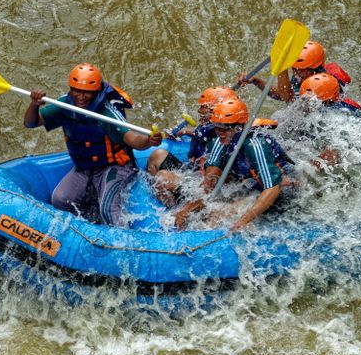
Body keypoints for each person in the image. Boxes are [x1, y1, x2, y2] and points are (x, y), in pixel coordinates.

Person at [24, 63, 163, 224]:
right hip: (85, 167)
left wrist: (149, 140)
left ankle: (119, 242)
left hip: (116, 166)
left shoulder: (107, 111)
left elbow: (133, 140)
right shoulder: (65, 104)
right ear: (71, 88)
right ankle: (90, 226)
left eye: (87, 92)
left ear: (96, 91)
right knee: (60, 199)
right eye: (77, 90)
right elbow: (31, 123)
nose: (81, 97)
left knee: (108, 209)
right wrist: (34, 105)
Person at [173, 98, 293, 232]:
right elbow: (209, 184)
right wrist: (186, 210)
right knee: (208, 211)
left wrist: (242, 221)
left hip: (279, 190)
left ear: (239, 127)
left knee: (215, 217)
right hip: (251, 186)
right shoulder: (221, 141)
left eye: (223, 128)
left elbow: (273, 189)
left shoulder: (254, 145)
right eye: (216, 127)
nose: (218, 132)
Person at [145, 86, 238, 206]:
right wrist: (185, 131)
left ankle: (177, 209)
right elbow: (202, 133)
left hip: (204, 183)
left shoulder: (222, 138)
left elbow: (210, 180)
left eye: (204, 107)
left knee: (162, 177)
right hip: (193, 172)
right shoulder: (211, 129)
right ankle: (166, 201)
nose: (200, 110)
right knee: (158, 155)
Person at [238, 40, 351, 103]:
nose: (296, 72)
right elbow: (280, 94)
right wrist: (256, 81)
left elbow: (287, 98)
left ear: (315, 68)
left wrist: (282, 68)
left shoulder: (322, 84)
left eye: (301, 70)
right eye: (294, 68)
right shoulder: (301, 76)